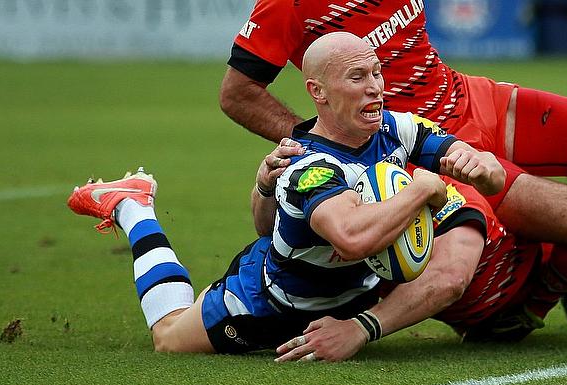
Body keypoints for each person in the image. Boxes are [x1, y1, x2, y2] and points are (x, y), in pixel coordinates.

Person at [66, 32, 505, 355]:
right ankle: (134, 205)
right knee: (169, 338)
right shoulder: (309, 167)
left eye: (375, 73)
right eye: (356, 78)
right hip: (271, 301)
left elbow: (483, 170)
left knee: (459, 222)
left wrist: (480, 168)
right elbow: (353, 239)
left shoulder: (397, 127)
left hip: (351, 292)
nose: (375, 87)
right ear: (318, 92)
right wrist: (427, 185)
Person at [219, 0, 567, 325]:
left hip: (474, 101)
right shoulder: (289, 5)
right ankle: (548, 293)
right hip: (422, 151)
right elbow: (238, 93)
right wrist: (322, 144)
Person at [271, 172, 567, 362]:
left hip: (541, 252)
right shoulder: (336, 228)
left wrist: (362, 328)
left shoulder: (431, 182)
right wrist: (263, 187)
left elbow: (450, 279)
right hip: (498, 304)